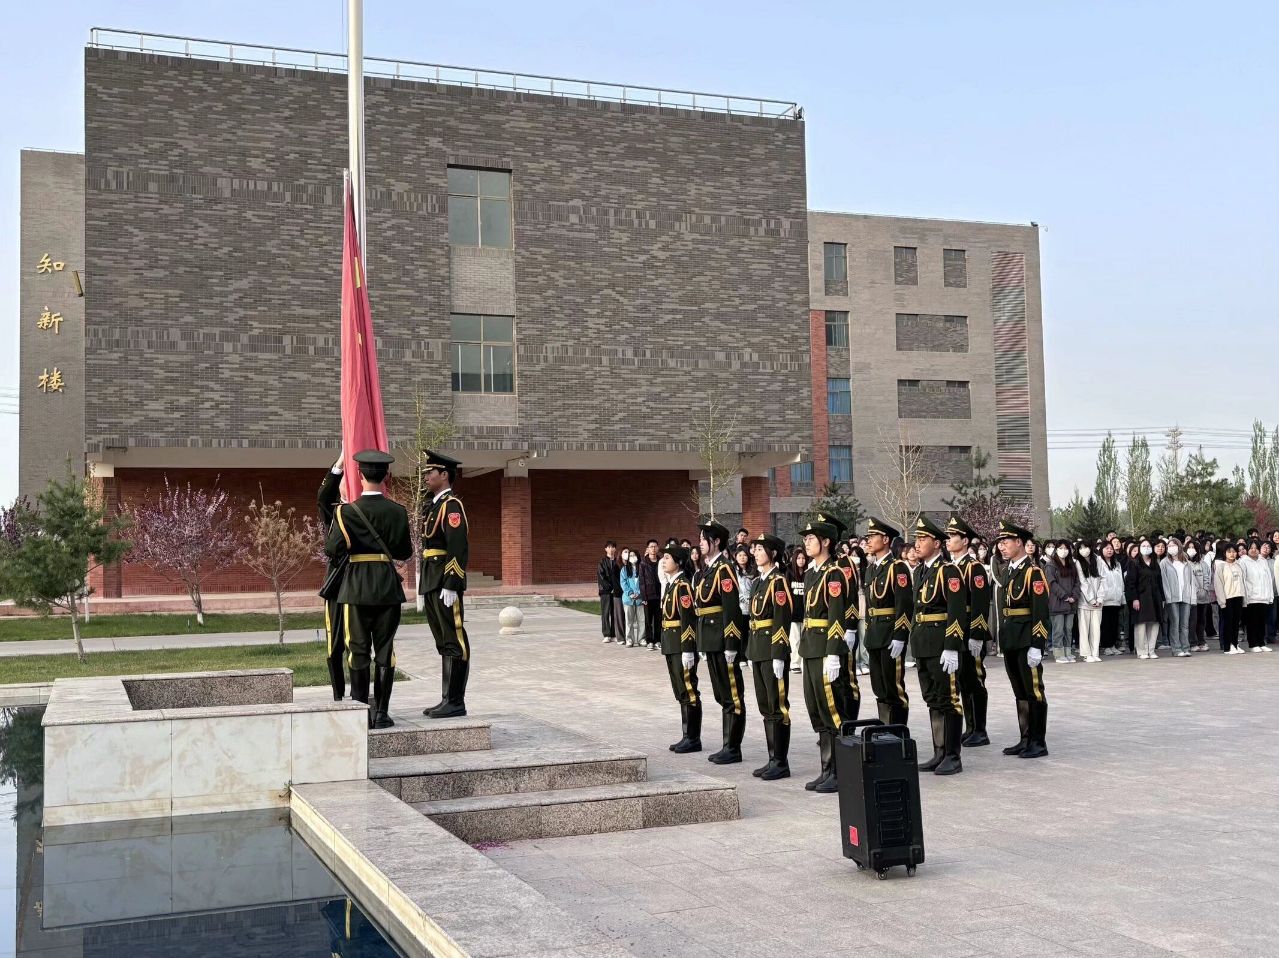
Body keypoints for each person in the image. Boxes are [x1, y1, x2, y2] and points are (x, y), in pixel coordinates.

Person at [324, 449, 413, 729]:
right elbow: (404, 552)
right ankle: (382, 714)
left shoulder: (345, 512)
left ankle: (362, 713)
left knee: (358, 650)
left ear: (360, 475)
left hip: (356, 588)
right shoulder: (398, 512)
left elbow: (332, 549)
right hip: (387, 587)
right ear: (386, 476)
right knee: (385, 651)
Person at [799, 516, 856, 793]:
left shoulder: (834, 573)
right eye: (805, 539)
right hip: (811, 646)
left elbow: (836, 615)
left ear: (826, 542)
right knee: (817, 710)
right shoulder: (812, 573)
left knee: (832, 710)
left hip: (825, 648)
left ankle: (840, 772)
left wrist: (834, 653)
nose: (806, 543)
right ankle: (826, 769)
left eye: (811, 538)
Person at [416, 450, 472, 718]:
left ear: (444, 475)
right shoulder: (434, 505)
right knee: (443, 640)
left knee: (454, 638)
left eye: (431, 472)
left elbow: (458, 546)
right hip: (431, 578)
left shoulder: (451, 506)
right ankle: (446, 699)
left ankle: (456, 702)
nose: (426, 476)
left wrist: (451, 582)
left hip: (444, 580)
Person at [908, 516, 967, 775]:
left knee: (948, 699)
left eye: (923, 539)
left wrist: (952, 646)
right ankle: (939, 751)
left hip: (941, 642)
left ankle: (953, 756)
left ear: (936, 543)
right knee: (932, 698)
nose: (917, 543)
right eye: (917, 538)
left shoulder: (948, 571)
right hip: (923, 642)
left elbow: (956, 611)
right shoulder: (920, 571)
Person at [693, 521, 750, 764]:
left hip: (722, 639)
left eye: (703, 539)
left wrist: (731, 644)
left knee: (731, 695)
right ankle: (727, 745)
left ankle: (733, 748)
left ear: (716, 541)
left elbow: (731, 609)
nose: (700, 543)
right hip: (710, 638)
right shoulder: (708, 569)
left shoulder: (724, 569)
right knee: (721, 694)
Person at [994, 520, 1049, 758]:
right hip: (1011, 638)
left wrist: (1037, 645)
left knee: (1033, 691)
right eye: (1000, 543)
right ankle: (1025, 738)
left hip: (1026, 639)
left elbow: (1041, 612)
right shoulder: (1008, 570)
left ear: (1019, 542)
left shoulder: (1033, 572)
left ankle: (1038, 742)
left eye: (1005, 542)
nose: (1001, 547)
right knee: (1019, 691)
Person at [746, 533, 795, 781]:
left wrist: (778, 653)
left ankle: (781, 762)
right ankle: (772, 758)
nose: (755, 553)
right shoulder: (758, 582)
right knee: (765, 705)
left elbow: (781, 619)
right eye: (754, 549)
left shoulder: (778, 582)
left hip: (772, 649)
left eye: (760, 549)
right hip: (758, 648)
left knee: (778, 705)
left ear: (772, 553)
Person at [862, 517, 912, 727]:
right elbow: (870, 605)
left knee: (894, 687)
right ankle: (885, 732)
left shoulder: (897, 567)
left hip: (890, 634)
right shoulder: (871, 569)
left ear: (885, 540)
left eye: (873, 536)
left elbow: (904, 604)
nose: (868, 540)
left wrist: (900, 635)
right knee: (879, 687)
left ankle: (897, 733)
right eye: (868, 536)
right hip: (875, 633)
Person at [945, 516, 991, 746]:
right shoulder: (951, 567)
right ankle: (970, 727)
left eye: (952, 536)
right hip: (957, 630)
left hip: (970, 631)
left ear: (964, 541)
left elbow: (981, 604)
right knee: (962, 681)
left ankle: (979, 729)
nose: (948, 540)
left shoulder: (974, 568)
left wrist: (977, 634)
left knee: (975, 680)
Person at [659, 544, 702, 753]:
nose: (664, 561)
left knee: (688, 690)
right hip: (671, 643)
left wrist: (687, 648)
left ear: (678, 562)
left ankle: (693, 738)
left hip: (680, 644)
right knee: (680, 690)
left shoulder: (683, 586)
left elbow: (688, 619)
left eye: (668, 558)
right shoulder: (671, 585)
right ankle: (686, 735)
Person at [317, 449, 348, 701]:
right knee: (335, 641)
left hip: (363, 581)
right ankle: (338, 695)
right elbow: (323, 497)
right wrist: (341, 460)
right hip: (338, 582)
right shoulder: (335, 513)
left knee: (360, 643)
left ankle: (363, 696)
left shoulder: (370, 508)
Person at [1125, 537, 1166, 660]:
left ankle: (1151, 650)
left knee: (1154, 623)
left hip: (1155, 597)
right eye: (1143, 546)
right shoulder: (1134, 563)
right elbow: (1130, 583)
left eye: (1148, 546)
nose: (1146, 548)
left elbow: (1160, 582)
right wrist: (1134, 599)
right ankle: (1141, 650)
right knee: (1141, 624)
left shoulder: (1155, 564)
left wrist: (1162, 598)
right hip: (1141, 598)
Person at [1044, 541, 1080, 663]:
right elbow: (1051, 583)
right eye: (1060, 548)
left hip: (1071, 603)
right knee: (1058, 630)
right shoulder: (1050, 565)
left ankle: (1067, 652)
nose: (1063, 550)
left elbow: (1077, 582)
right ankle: (1058, 654)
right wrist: (1064, 596)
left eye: (1066, 548)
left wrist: (1074, 596)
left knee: (1068, 629)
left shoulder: (1071, 565)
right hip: (1057, 602)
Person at [1160, 537, 1195, 657]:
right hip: (1172, 598)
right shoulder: (1164, 562)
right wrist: (1167, 597)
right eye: (1169, 546)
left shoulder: (1186, 562)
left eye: (1173, 545)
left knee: (1184, 625)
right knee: (1175, 623)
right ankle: (1176, 649)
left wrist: (1192, 597)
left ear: (1179, 546)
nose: (1171, 548)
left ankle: (1186, 647)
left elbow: (1191, 581)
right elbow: (1164, 581)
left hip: (1185, 596)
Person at [1240, 540, 1275, 653]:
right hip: (1251, 598)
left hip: (1263, 597)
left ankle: (1261, 643)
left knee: (1261, 621)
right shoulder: (1243, 562)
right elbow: (1243, 580)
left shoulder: (1262, 561)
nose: (1254, 550)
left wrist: (1269, 595)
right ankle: (1253, 644)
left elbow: (1268, 579)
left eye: (1256, 548)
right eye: (1251, 548)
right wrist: (1245, 597)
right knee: (1252, 622)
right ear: (1247, 549)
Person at [1214, 541, 1245, 653]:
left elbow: (1243, 582)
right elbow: (1218, 585)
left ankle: (1235, 644)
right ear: (1224, 553)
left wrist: (1244, 598)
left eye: (1234, 551)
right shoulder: (1221, 566)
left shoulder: (1239, 566)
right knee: (1228, 623)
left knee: (1236, 622)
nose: (1232, 554)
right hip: (1227, 598)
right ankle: (1227, 647)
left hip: (1238, 596)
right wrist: (1222, 601)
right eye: (1229, 551)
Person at [1098, 540, 1125, 655]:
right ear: (1101, 550)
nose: (1109, 550)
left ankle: (1113, 645)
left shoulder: (1117, 563)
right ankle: (1105, 646)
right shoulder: (1099, 562)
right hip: (1105, 599)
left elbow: (1121, 581)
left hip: (1116, 598)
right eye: (1107, 548)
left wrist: (1122, 596)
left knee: (1114, 624)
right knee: (1105, 624)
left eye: (1111, 548)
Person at [1188, 539, 1213, 652]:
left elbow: (1207, 577)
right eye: (1189, 547)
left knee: (1201, 620)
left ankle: (1201, 641)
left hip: (1203, 597)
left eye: (1193, 548)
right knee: (1192, 621)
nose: (1191, 550)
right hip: (1191, 597)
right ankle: (1192, 642)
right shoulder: (1185, 563)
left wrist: (1205, 589)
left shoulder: (1203, 563)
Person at [787, 549, 808, 674]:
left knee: (804, 639)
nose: (801, 560)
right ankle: (795, 663)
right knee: (794, 640)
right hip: (793, 613)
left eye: (803, 558)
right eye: (799, 558)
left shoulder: (808, 573)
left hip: (805, 612)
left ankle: (803, 662)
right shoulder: (789, 572)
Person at [640, 540, 663, 650]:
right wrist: (644, 597)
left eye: (655, 546)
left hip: (659, 595)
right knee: (648, 620)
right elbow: (641, 581)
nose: (653, 548)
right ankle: (649, 641)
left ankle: (658, 640)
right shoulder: (643, 563)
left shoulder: (661, 562)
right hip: (648, 596)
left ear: (657, 548)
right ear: (648, 549)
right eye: (651, 546)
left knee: (658, 619)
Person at [620, 550, 644, 648]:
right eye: (630, 555)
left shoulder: (642, 568)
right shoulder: (624, 569)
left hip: (640, 599)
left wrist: (639, 593)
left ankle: (642, 639)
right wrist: (630, 593)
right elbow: (623, 583)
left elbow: (644, 582)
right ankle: (629, 639)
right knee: (629, 621)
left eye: (634, 555)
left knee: (641, 621)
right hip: (628, 599)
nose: (632, 557)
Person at [597, 542, 620, 643]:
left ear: (615, 549)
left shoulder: (618, 561)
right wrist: (610, 588)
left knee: (614, 613)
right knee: (605, 613)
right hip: (605, 591)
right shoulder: (602, 562)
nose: (611, 549)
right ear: (605, 549)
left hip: (616, 591)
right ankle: (606, 634)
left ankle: (614, 634)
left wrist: (616, 588)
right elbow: (601, 576)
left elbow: (619, 576)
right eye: (609, 547)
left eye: (613, 547)